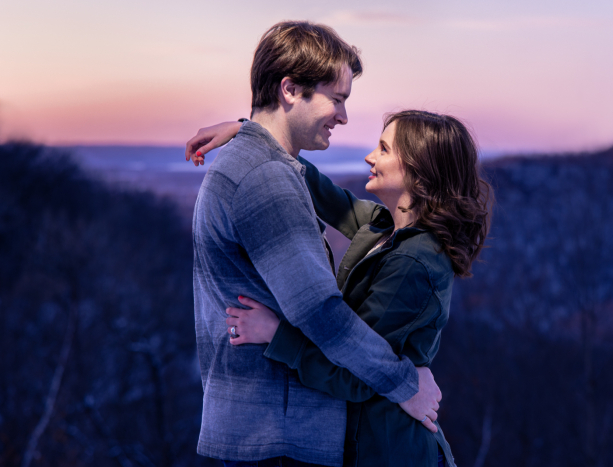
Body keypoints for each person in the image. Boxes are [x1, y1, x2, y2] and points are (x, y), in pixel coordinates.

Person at [188, 21, 442, 467]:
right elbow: (320, 313)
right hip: (280, 437)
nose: (343, 116)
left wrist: (247, 128)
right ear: (290, 90)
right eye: (337, 99)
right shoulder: (265, 178)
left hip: (267, 430)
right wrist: (406, 384)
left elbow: (337, 204)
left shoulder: (262, 166)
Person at [191, 110, 492, 467]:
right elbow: (323, 193)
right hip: (368, 442)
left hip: (388, 450)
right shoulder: (385, 227)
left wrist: (275, 334)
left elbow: (358, 373)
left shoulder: (415, 263)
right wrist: (251, 133)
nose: (370, 156)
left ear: (418, 169)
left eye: (383, 149)